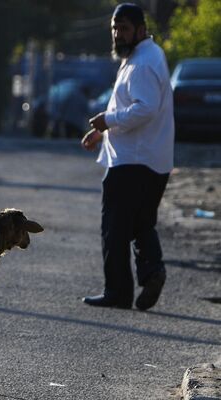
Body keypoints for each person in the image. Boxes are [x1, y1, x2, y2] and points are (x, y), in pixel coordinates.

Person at [80, 3, 174, 311]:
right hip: (149, 158)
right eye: (115, 28)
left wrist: (107, 120)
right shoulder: (144, 56)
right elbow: (138, 107)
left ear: (142, 30)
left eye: (125, 29)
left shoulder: (143, 62)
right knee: (140, 224)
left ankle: (117, 293)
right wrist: (104, 133)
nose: (118, 34)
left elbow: (144, 108)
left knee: (116, 229)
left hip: (133, 161)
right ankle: (152, 272)